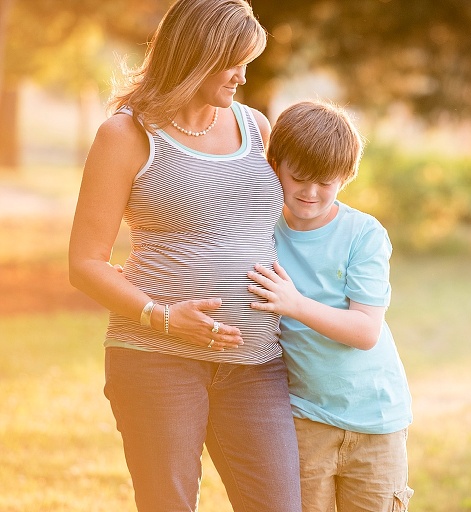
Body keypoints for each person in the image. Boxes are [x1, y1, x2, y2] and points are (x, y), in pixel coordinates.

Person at [67, 1, 301, 510]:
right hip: (156, 360)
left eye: (247, 62)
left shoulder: (257, 127)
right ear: (197, 55)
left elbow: (292, 221)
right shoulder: (126, 135)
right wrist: (165, 317)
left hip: (255, 362)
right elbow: (85, 263)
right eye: (232, 62)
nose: (242, 76)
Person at [246, 100, 415, 512]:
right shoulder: (260, 231)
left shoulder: (363, 234)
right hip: (306, 419)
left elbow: (365, 330)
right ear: (275, 165)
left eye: (325, 182)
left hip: (375, 422)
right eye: (298, 178)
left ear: (346, 176)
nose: (310, 193)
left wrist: (295, 304)